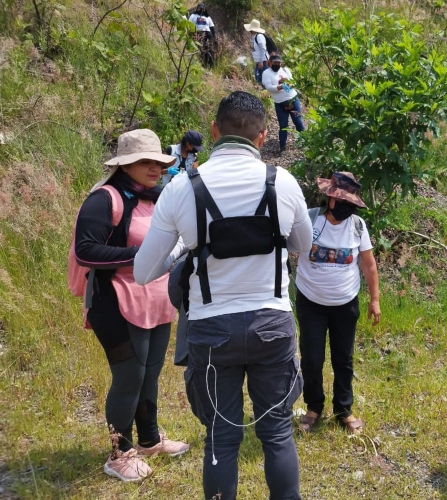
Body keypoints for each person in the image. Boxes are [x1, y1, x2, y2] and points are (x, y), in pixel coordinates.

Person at [133, 91, 312, 500]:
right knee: (278, 433)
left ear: (214, 131)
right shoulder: (282, 183)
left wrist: (185, 247)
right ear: (264, 136)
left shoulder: (182, 188)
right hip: (272, 325)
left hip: (212, 331)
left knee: (222, 437)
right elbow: (301, 243)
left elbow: (144, 270)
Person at [73, 129, 189, 482]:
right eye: (145, 161)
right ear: (125, 165)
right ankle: (119, 452)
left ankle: (150, 439)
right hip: (114, 301)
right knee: (129, 376)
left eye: (158, 161)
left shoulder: (157, 198)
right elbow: (85, 250)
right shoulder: (104, 199)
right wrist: (142, 255)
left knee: (150, 373)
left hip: (155, 300)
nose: (154, 167)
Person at [295, 172, 381, 435]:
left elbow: (368, 264)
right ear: (330, 197)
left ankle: (344, 409)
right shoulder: (309, 220)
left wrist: (375, 299)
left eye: (350, 202)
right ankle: (313, 407)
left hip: (345, 303)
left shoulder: (357, 226)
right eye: (341, 200)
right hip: (310, 302)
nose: (346, 207)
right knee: (312, 358)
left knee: (343, 359)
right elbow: (284, 247)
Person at [262, 54, 305, 155]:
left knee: (298, 122)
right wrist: (280, 85)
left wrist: (287, 83)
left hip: (292, 99)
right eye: (275, 63)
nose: (277, 65)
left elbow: (293, 82)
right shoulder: (266, 73)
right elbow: (269, 87)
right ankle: (282, 147)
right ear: (270, 63)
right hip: (280, 103)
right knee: (283, 125)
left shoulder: (285, 70)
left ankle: (306, 143)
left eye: (278, 63)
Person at [244, 18, 270, 85]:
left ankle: (265, 92)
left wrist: (261, 61)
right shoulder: (255, 37)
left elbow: (263, 48)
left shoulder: (259, 36)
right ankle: (263, 92)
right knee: (258, 77)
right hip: (259, 61)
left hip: (264, 61)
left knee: (263, 78)